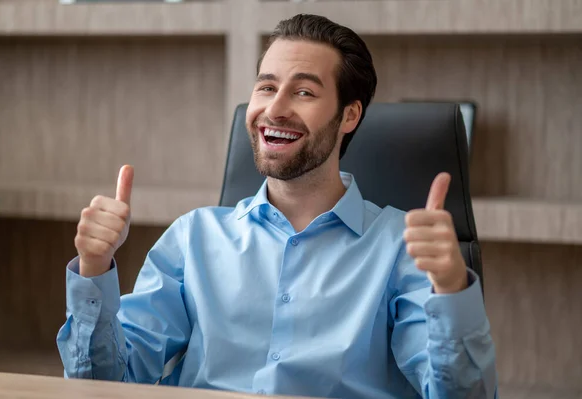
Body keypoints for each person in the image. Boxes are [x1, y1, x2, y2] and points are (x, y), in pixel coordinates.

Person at [57, 14, 497, 399]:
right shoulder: (194, 237)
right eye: (267, 87)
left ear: (349, 115)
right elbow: (103, 382)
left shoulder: (402, 248)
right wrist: (95, 268)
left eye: (304, 92)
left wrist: (452, 289)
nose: (275, 108)